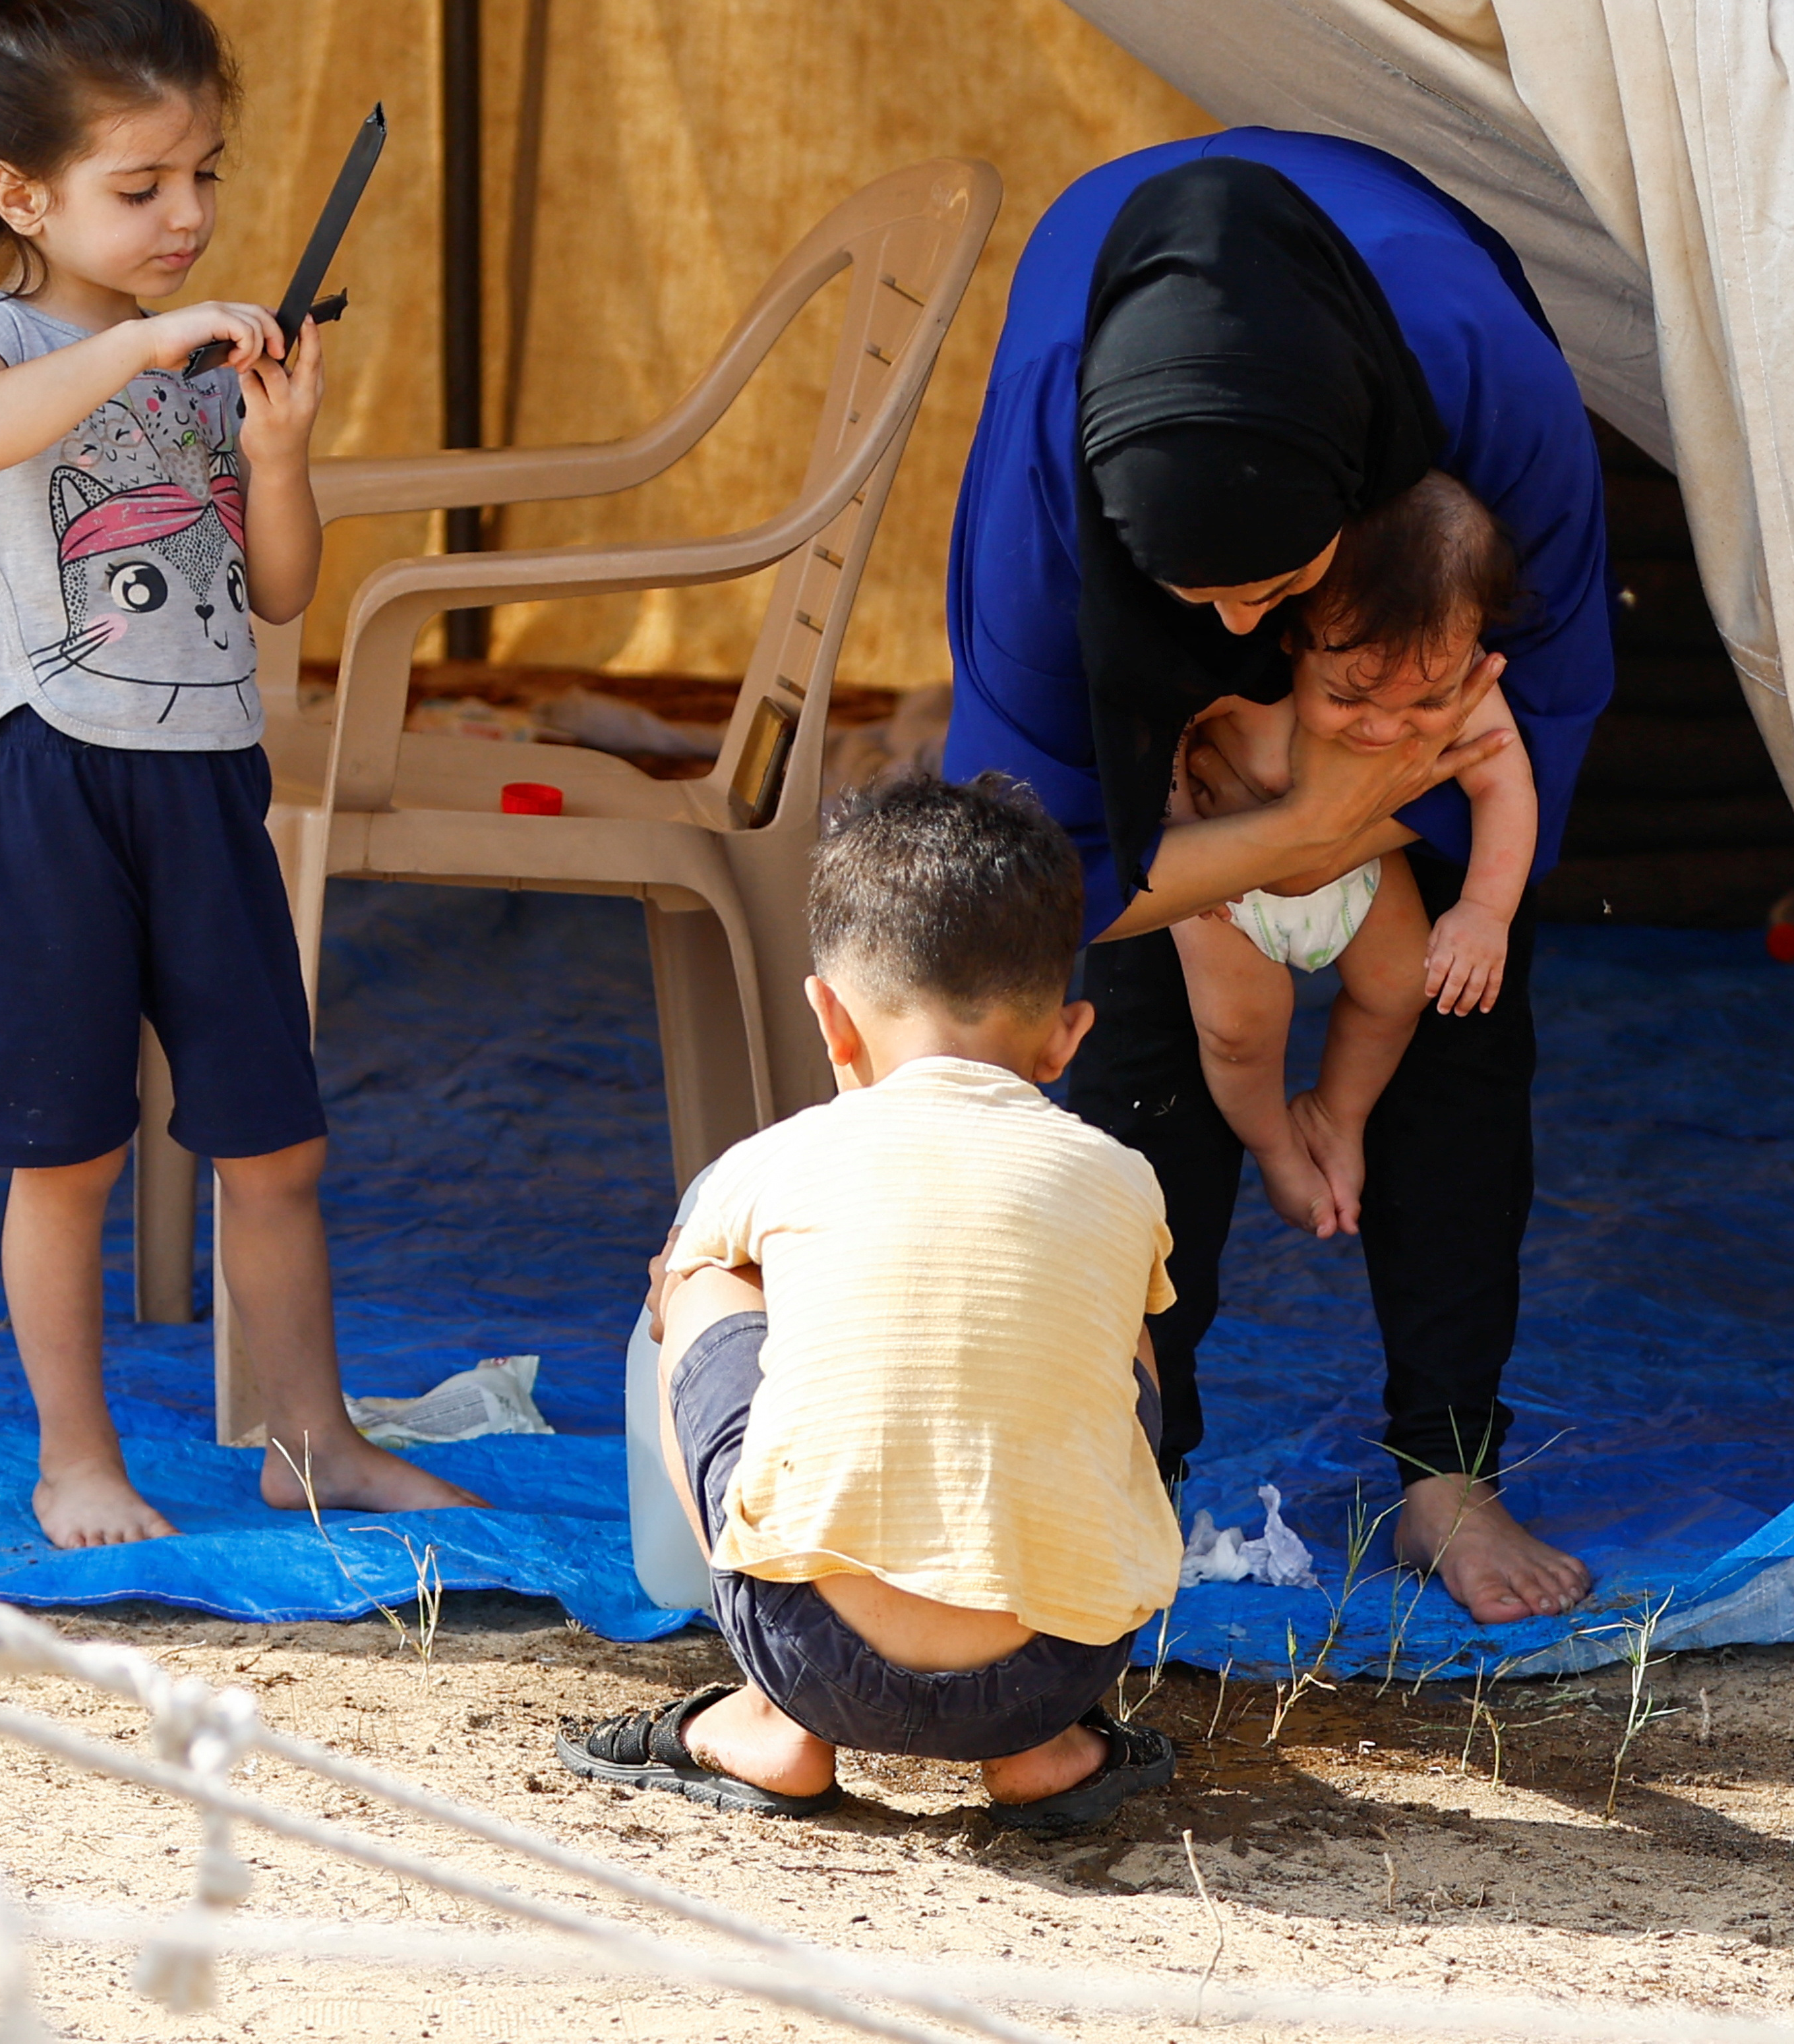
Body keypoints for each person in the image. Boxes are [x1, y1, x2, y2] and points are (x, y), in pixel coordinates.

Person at [943, 134, 1611, 1625]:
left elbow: (1536, 715)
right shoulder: (1046, 502)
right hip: (1199, 767)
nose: (1246, 619)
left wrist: (1375, 814)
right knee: (1132, 1051)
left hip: (1391, 637)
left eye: (1273, 586)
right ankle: (1129, 1439)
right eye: (1205, 603)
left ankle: (1446, 1457)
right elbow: (1021, 876)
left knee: (1454, 991)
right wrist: (1267, 850)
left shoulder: (1480, 401)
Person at [0, 0, 472, 1547]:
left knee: (271, 1141)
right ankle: (75, 1458)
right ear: (26, 198)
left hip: (207, 781)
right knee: (61, 1155)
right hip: (51, 785)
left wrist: (275, 451)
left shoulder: (217, 370)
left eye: (203, 176)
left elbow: (275, 588)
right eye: (139, 188)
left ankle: (312, 1438)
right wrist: (142, 342)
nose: (187, 217)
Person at [559, 773, 1180, 1827]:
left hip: (815, 1656)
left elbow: (672, 1283)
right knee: (1123, 1317)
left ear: (831, 1019)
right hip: (1059, 1662)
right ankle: (1044, 1751)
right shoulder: (1121, 1174)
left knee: (705, 1275)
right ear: (1067, 1037)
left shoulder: (782, 1155)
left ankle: (770, 1725)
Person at [1170, 480, 1536, 1244]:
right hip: (1226, 885)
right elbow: (1160, 731)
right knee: (1238, 1026)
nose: (1384, 726)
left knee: (1400, 985)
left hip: (1354, 871)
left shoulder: (1453, 682)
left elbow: (1505, 780)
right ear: (1292, 638)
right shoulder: (1243, 690)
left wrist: (1483, 909)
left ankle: (1338, 1113)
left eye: (1425, 705)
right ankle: (1273, 1144)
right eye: (1348, 698)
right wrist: (1177, 841)